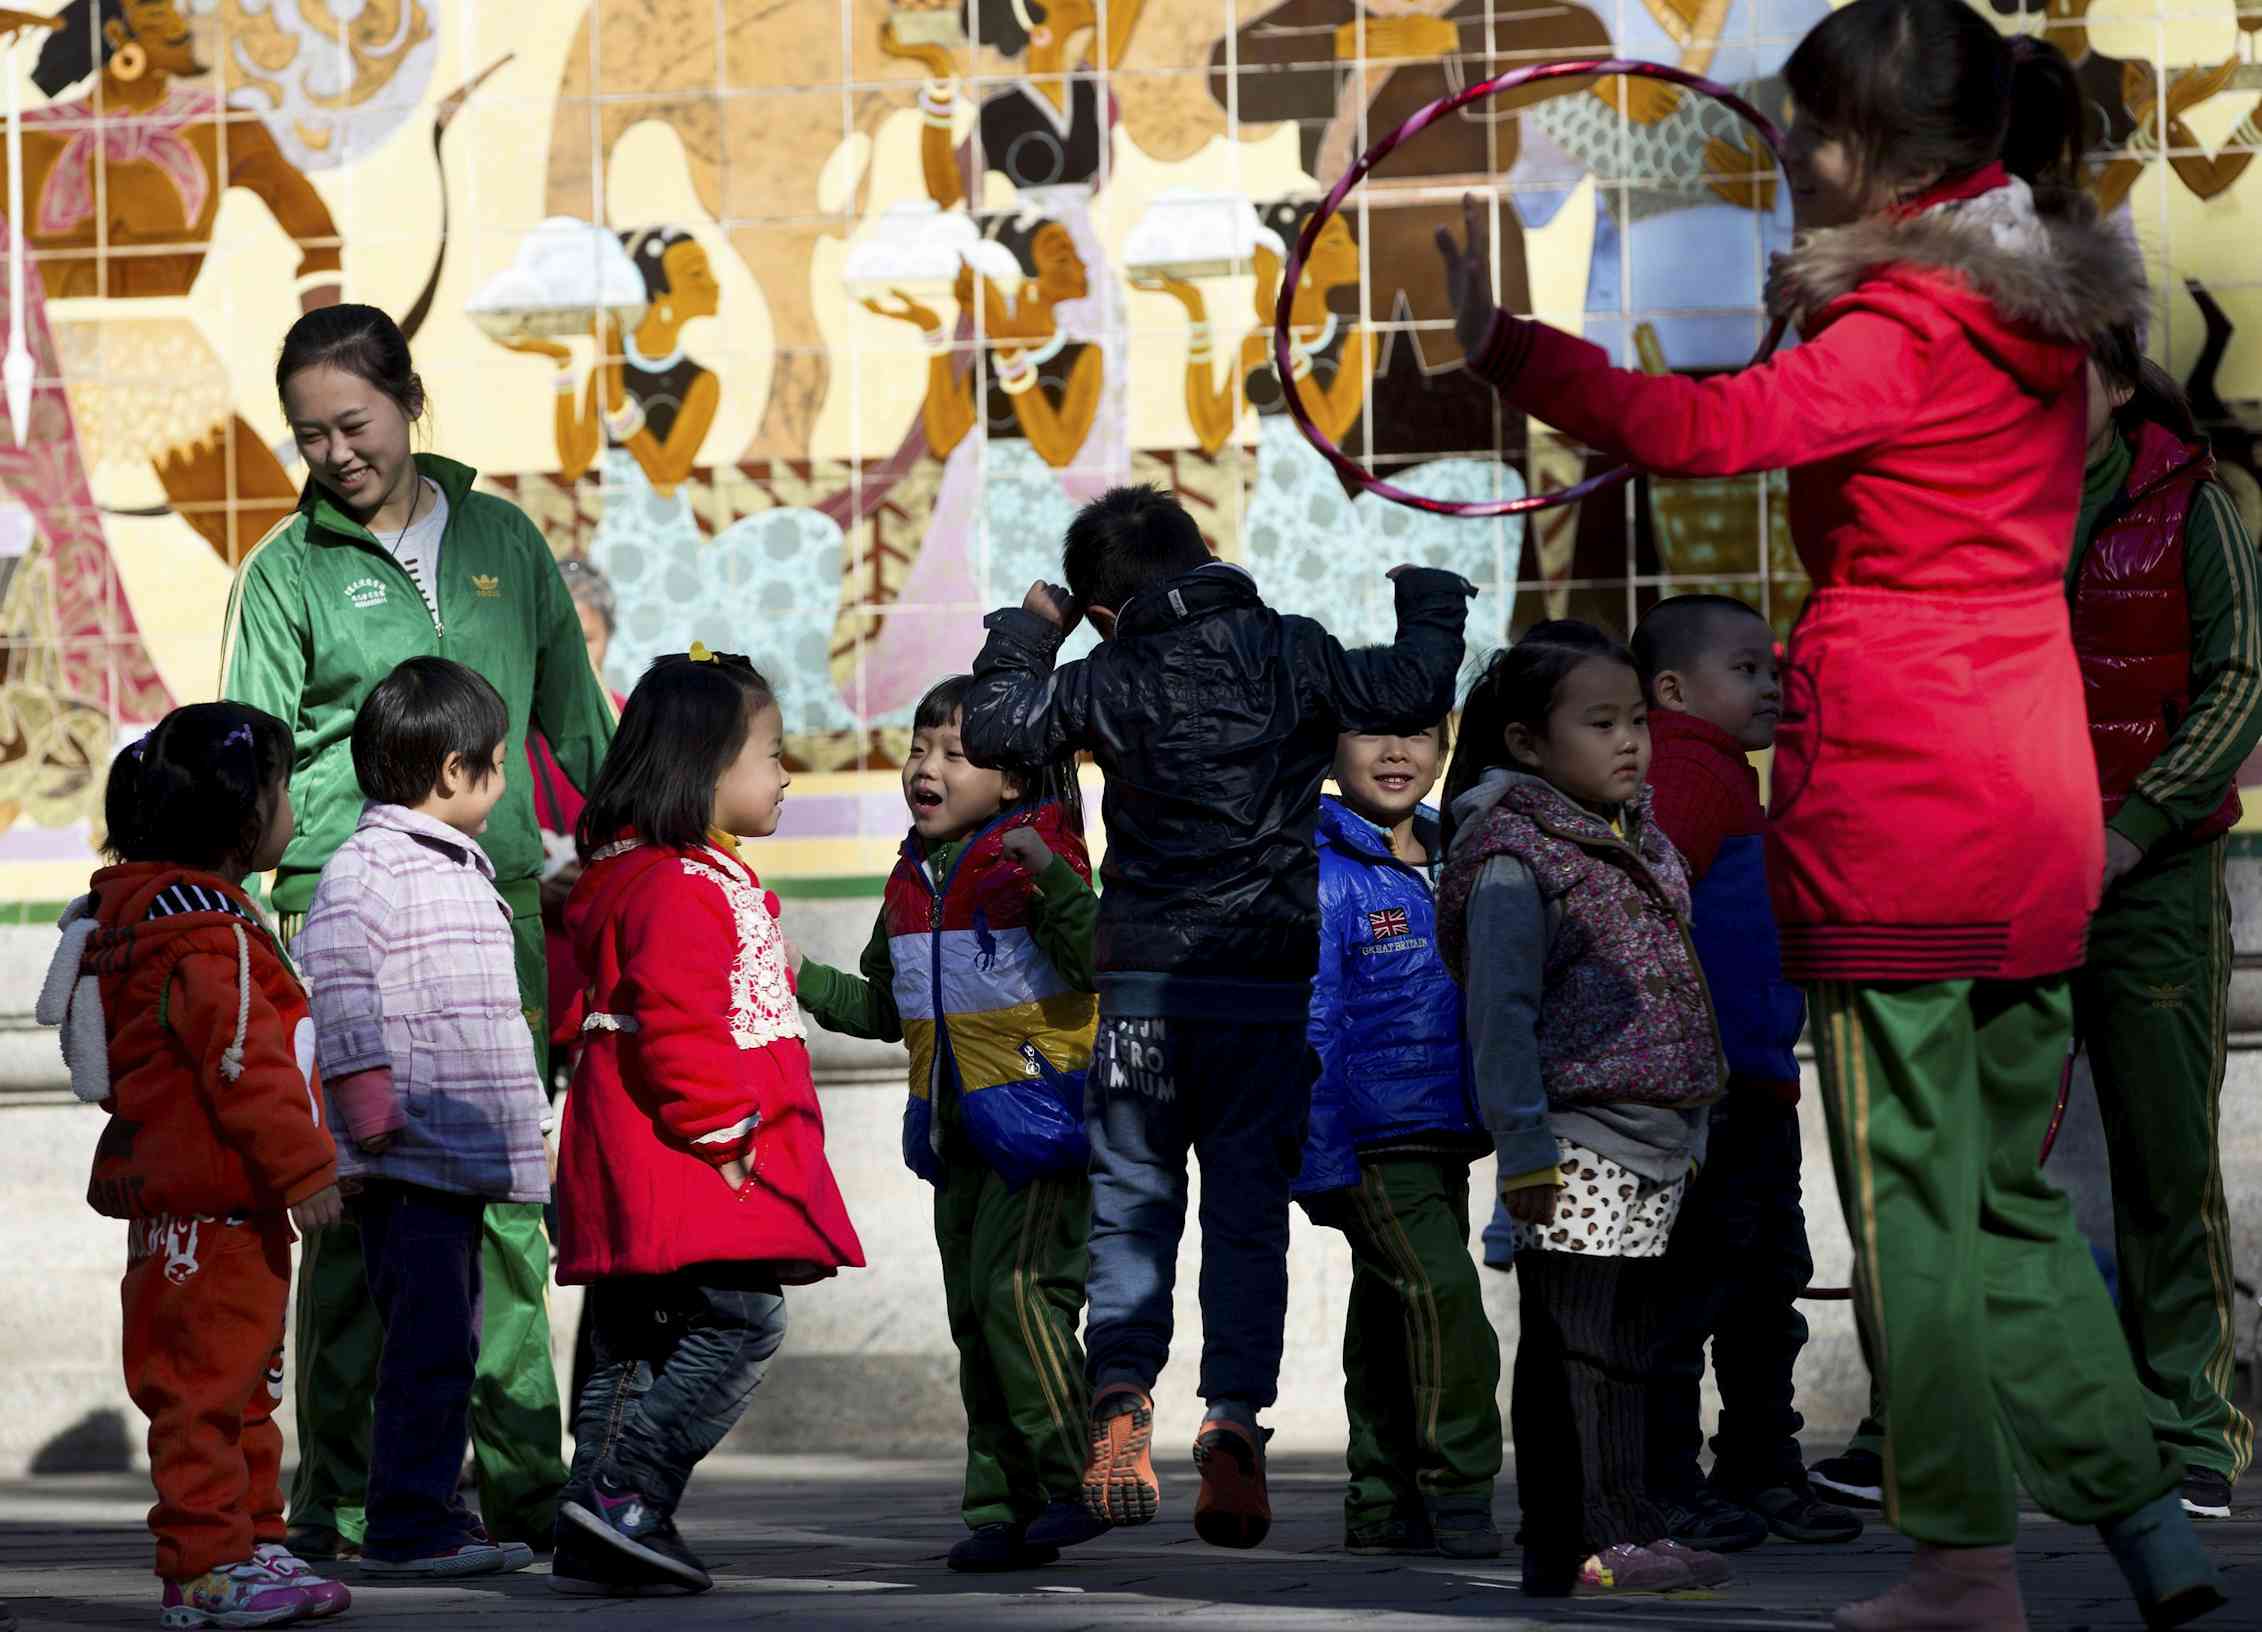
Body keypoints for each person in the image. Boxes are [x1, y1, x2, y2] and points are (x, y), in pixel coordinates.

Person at [1435, 2, 2225, 1624]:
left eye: (1806, 130)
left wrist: (1511, 344)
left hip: (1900, 815)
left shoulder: (1905, 330)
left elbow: (1703, 431)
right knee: (2002, 1195)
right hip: (2030, 804)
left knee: (1907, 1220)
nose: (1785, 153)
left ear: (1872, 149)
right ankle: (2152, 1541)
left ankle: (1959, 1560)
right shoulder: (2043, 322)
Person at [959, 483, 1472, 1549]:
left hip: (1145, 995)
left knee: (1134, 1211)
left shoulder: (1108, 671)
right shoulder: (1294, 651)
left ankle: (1119, 1397)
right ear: (1209, 554)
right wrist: (1430, 597)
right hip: (1261, 997)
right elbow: (1415, 681)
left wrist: (1030, 630)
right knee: (1244, 1220)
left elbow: (999, 725)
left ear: (1105, 609)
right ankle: (1234, 1417)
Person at [1813, 332, 2262, 1529]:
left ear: (2117, 385)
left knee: (2167, 1161)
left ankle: (2193, 1429)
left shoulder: (2191, 508)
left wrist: (2135, 826)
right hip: (1985, 865)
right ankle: (1918, 1427)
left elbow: (2241, 680)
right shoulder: (1963, 506)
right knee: (1957, 1158)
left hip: (2150, 877)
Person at [221, 303, 614, 1558]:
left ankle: (520, 1491)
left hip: (492, 920)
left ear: (408, 400)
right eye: (310, 434)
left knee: (502, 1210)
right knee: (356, 1224)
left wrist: (636, 863)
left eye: (354, 422)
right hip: (338, 916)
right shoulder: (284, 570)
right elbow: (249, 753)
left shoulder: (504, 540)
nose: (336, 453)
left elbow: (580, 726)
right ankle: (340, 1496)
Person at [552, 649, 865, 1596]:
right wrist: (730, 1136)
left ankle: (591, 1523)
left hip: (646, 1156)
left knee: (635, 1339)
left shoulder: (647, 875)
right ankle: (628, 1491)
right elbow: (681, 1030)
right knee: (741, 1321)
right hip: (690, 1160)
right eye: (770, 753)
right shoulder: (681, 886)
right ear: (703, 766)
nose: (784, 774)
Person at [1432, 623, 1729, 1598]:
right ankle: (1596, 1536)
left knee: (1625, 1351)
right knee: (1583, 1354)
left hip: (1656, 1142)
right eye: (1600, 723)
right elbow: (1500, 1017)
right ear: (1526, 742)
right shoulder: (1517, 857)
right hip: (1573, 1143)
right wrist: (1522, 1150)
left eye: (1638, 719)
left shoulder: (1630, 832)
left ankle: (1588, 1536)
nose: (1631, 742)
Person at [38, 702, 351, 1628]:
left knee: (246, 1391)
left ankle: (251, 1548)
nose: (290, 808)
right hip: (204, 1209)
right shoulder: (205, 935)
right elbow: (244, 1064)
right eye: (283, 789)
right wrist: (308, 1169)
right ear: (243, 818)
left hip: (226, 1207)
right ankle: (201, 1567)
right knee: (201, 1398)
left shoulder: (194, 916)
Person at [793, 674, 1103, 1574]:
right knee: (976, 1316)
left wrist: (1049, 879)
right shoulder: (909, 880)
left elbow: (1098, 958)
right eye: (918, 749)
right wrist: (799, 974)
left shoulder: (1040, 857)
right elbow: (886, 1007)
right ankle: (1000, 1507)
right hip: (953, 1136)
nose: (926, 768)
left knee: (1021, 1298)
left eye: (954, 754)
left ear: (1013, 781)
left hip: (1044, 1128)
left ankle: (1078, 1476)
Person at [294, 659, 550, 1580]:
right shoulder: (370, 865)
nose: (503, 778)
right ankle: (406, 1526)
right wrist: (364, 1110)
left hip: (448, 1158)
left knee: (448, 1341)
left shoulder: (449, 863)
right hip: (407, 1159)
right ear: (454, 771)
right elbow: (340, 985)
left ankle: (429, 1509)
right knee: (428, 1348)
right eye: (497, 761)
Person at [1631, 595, 1856, 1553]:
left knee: (1767, 1287)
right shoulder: (1687, 768)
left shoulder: (1729, 772)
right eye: (1746, 670)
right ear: (1674, 691)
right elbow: (1652, 905)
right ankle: (1670, 1485)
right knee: (1698, 1295)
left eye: (1772, 668)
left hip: (1757, 1084)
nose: (1770, 685)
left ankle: (1762, 1466)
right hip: (1707, 1094)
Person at [1292, 716, 1503, 1561]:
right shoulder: (1320, 867)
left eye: (1417, 734)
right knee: (1446, 1300)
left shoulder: (1462, 852)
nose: (1394, 754)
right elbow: (1310, 1019)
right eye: (1369, 734)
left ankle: (1381, 1498)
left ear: (1448, 746)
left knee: (1392, 1308)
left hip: (1447, 1123)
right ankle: (1458, 1490)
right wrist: (1317, 1151)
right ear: (1331, 750)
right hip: (1369, 1133)